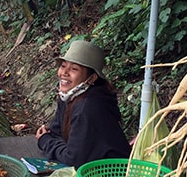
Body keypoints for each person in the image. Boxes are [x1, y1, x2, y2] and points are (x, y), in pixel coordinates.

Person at [35, 39, 132, 168]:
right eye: (63, 66)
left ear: (91, 78)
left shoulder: (88, 107)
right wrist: (49, 138)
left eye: (74, 69)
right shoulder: (69, 95)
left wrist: (45, 141)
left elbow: (74, 159)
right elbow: (56, 133)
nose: (64, 73)